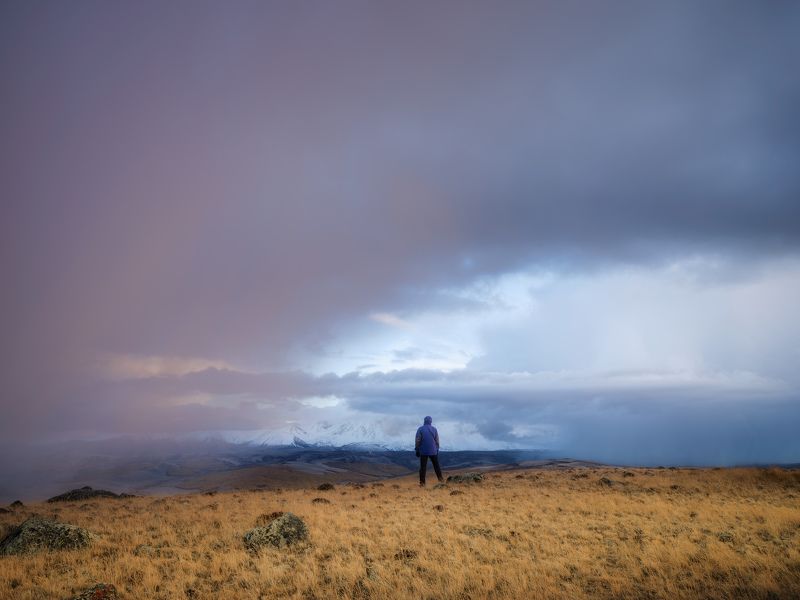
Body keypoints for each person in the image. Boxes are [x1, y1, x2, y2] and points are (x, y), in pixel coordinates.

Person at [415, 416, 444, 486]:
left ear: (424, 421)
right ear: (431, 422)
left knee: (423, 468)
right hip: (433, 450)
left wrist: (417, 449)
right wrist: (437, 449)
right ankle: (441, 481)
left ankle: (422, 484)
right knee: (436, 466)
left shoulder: (420, 429)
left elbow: (418, 440)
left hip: (423, 451)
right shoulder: (434, 429)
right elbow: (437, 441)